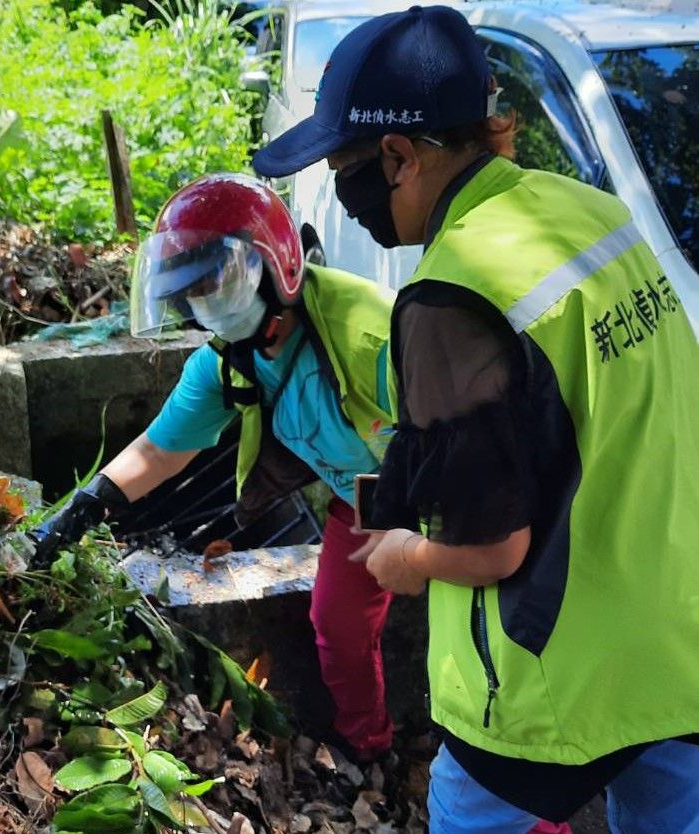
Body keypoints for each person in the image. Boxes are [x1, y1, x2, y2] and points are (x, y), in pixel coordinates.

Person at [252, 6, 699, 833]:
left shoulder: (451, 295)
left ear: (398, 155)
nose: (342, 198)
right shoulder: (589, 213)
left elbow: (492, 548)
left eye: (344, 167)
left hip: (549, 677)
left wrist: (404, 557)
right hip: (675, 638)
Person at [32, 172, 400, 761]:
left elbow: (458, 446)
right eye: (191, 292)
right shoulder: (229, 360)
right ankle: (370, 744)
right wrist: (85, 504)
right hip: (359, 496)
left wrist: (421, 541)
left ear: (275, 268)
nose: (206, 305)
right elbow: (157, 451)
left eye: (218, 283)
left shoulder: (373, 338)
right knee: (336, 623)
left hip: (446, 488)